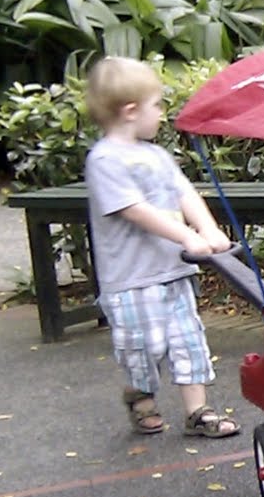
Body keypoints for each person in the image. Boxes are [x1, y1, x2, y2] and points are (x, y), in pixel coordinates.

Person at [83, 57, 240, 439]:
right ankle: (139, 394)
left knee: (189, 341)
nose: (162, 113)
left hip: (173, 271)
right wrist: (186, 236)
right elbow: (134, 210)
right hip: (131, 280)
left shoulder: (157, 156)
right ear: (131, 111)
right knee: (144, 349)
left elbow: (183, 192)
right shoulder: (104, 160)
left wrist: (207, 227)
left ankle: (198, 411)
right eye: (157, 105)